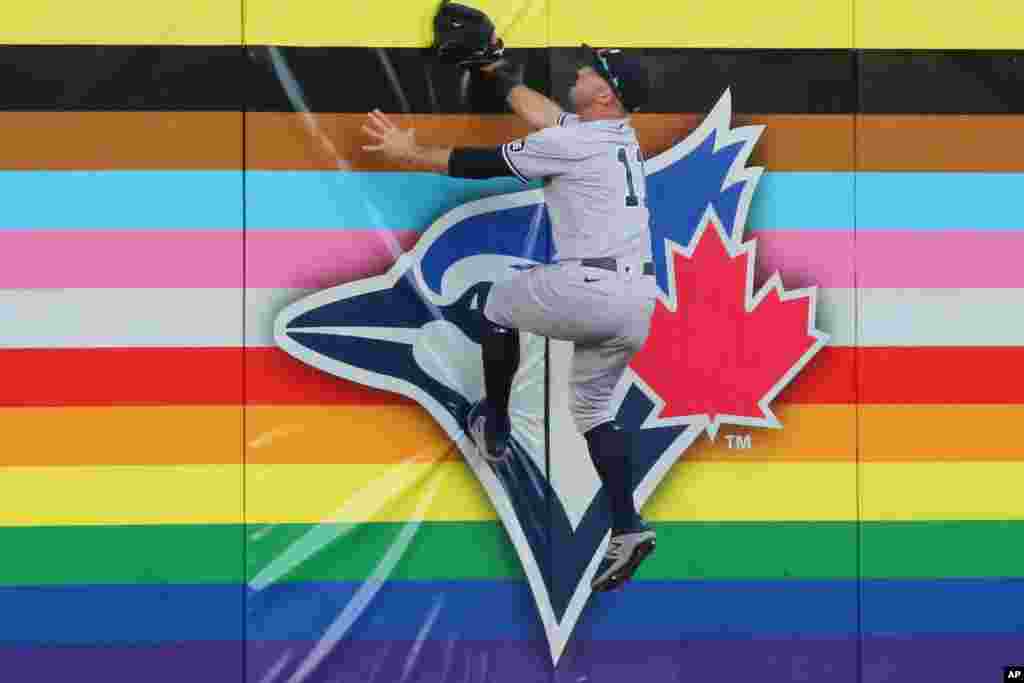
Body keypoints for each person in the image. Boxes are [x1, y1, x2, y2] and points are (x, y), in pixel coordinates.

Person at [362, 45, 657, 592]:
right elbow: (544, 113)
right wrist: (494, 69)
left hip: (590, 287)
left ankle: (494, 424)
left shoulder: (574, 142)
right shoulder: (617, 137)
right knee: (594, 412)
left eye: (592, 70)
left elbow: (481, 164)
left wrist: (409, 152)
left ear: (604, 94)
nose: (581, 71)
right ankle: (627, 526)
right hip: (637, 300)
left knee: (498, 303)